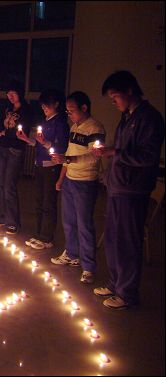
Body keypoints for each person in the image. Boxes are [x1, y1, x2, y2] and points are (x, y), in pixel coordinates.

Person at [92, 71, 165, 309]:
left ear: (130, 91)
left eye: (115, 97)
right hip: (117, 186)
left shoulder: (150, 118)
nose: (114, 102)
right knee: (113, 239)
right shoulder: (127, 116)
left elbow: (148, 156)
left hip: (133, 190)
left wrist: (115, 153)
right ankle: (115, 284)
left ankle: (127, 294)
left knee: (127, 241)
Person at [49, 91, 106, 284]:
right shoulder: (75, 127)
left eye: (72, 110)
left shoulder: (95, 128)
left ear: (84, 108)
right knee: (69, 221)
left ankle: (88, 266)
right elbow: (68, 153)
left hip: (86, 182)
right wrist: (62, 177)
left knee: (84, 224)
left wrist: (69, 159)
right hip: (70, 180)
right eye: (67, 111)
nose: (70, 114)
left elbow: (94, 155)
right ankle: (72, 254)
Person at [17, 89, 70, 249]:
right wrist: (27, 139)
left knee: (49, 202)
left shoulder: (60, 123)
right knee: (39, 201)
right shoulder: (46, 121)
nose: (44, 108)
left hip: (51, 167)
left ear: (56, 104)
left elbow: (61, 147)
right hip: (39, 165)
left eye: (47, 105)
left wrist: (45, 142)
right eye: (42, 105)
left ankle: (47, 237)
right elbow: (39, 143)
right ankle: (38, 233)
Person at [0, 80, 34, 234]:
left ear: (19, 93)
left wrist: (7, 133)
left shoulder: (26, 110)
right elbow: (1, 128)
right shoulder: (7, 108)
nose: (10, 96)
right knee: (2, 184)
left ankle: (13, 221)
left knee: (10, 185)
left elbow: (21, 132)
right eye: (8, 93)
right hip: (3, 148)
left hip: (15, 150)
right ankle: (5, 215)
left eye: (13, 93)